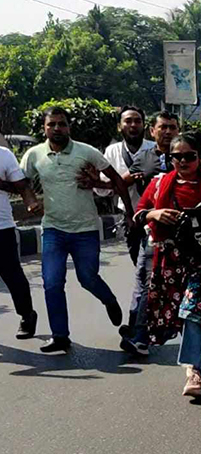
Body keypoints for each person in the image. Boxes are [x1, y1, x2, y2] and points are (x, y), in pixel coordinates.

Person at [20, 106, 133, 353]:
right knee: (51, 283)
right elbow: (23, 181)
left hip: (85, 230)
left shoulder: (86, 152)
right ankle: (60, 335)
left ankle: (109, 299)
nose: (57, 129)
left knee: (87, 278)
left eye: (62, 124)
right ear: (45, 128)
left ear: (68, 127)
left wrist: (130, 214)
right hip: (53, 229)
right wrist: (30, 200)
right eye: (52, 125)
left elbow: (116, 180)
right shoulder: (34, 154)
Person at [136, 134, 201, 397]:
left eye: (190, 156)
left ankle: (194, 371)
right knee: (176, 314)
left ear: (199, 158)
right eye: (178, 157)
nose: (184, 161)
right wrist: (155, 213)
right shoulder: (159, 183)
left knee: (192, 309)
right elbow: (139, 213)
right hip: (170, 260)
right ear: (170, 158)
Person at [119, 111, 180, 356]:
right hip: (152, 231)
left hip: (185, 233)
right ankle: (140, 335)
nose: (167, 132)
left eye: (172, 127)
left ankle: (199, 337)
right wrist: (133, 212)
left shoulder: (186, 154)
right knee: (148, 280)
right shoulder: (144, 159)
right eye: (163, 127)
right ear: (152, 131)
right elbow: (122, 181)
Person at [0, 144, 40, 338]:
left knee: (12, 275)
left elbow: (20, 186)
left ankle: (27, 314)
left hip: (1, 227)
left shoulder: (4, 154)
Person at [97, 106, 159, 223]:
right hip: (126, 215)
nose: (133, 125)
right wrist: (123, 182)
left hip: (154, 213)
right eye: (128, 121)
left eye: (138, 121)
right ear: (119, 127)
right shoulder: (112, 151)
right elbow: (103, 190)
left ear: (144, 126)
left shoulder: (155, 148)